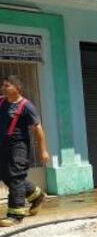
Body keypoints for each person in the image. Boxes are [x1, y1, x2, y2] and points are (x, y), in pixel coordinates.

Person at [0, 75, 49, 227]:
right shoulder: (1, 102)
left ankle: (15, 214)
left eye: (7, 85)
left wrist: (43, 151)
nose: (3, 88)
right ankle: (37, 195)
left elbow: (38, 129)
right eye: (3, 85)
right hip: (2, 145)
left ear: (17, 88)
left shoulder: (26, 106)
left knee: (15, 176)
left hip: (18, 146)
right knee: (6, 175)